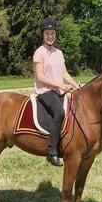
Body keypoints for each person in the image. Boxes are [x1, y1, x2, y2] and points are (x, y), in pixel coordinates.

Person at [33, 17, 80, 166]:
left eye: (52, 33)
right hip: (45, 91)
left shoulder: (59, 53)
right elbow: (40, 77)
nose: (50, 36)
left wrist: (77, 86)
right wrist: (60, 85)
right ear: (43, 35)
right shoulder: (38, 53)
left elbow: (65, 73)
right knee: (59, 113)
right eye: (47, 33)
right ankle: (52, 152)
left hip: (59, 91)